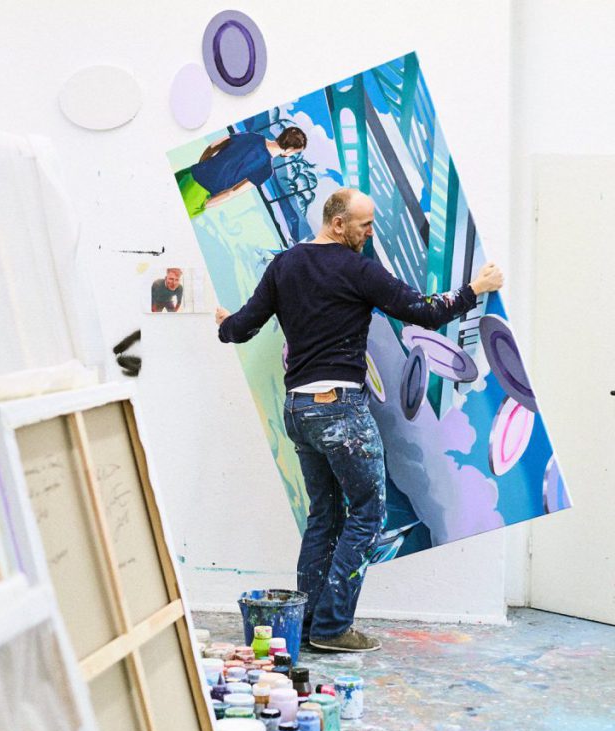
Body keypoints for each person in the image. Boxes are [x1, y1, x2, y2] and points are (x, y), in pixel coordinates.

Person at [215, 188, 504, 652]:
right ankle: (332, 629)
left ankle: (307, 625)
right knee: (368, 514)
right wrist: (477, 289)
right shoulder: (357, 270)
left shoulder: (284, 266)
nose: (371, 234)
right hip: (340, 409)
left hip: (299, 411)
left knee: (324, 516)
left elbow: (242, 327)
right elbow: (424, 313)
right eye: (365, 225)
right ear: (337, 224)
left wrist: (224, 321)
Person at [175, 126, 307, 218]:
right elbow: (233, 192)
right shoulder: (266, 170)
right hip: (200, 193)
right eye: (294, 152)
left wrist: (203, 165)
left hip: (189, 172)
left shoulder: (252, 136)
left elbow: (213, 146)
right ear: (289, 150)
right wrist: (207, 204)